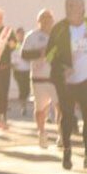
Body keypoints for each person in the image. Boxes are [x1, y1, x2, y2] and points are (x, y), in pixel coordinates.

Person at [46, 0, 87, 170]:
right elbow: (49, 55)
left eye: (75, 5)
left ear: (83, 8)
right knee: (68, 116)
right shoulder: (59, 29)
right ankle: (67, 151)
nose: (71, 8)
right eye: (68, 5)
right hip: (66, 81)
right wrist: (63, 67)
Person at [21, 9, 58, 149]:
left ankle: (61, 134)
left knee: (60, 107)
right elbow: (24, 55)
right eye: (43, 18)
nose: (47, 21)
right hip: (39, 78)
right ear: (38, 21)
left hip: (56, 77)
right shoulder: (32, 36)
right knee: (41, 108)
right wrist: (39, 53)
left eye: (49, 18)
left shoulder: (58, 35)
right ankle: (42, 132)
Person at [11, 27, 31, 118]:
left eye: (22, 34)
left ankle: (24, 102)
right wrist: (12, 64)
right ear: (16, 35)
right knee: (21, 88)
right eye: (19, 34)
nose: (21, 36)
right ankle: (23, 107)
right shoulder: (14, 45)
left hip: (28, 69)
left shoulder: (27, 44)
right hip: (18, 70)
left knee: (27, 89)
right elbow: (10, 55)